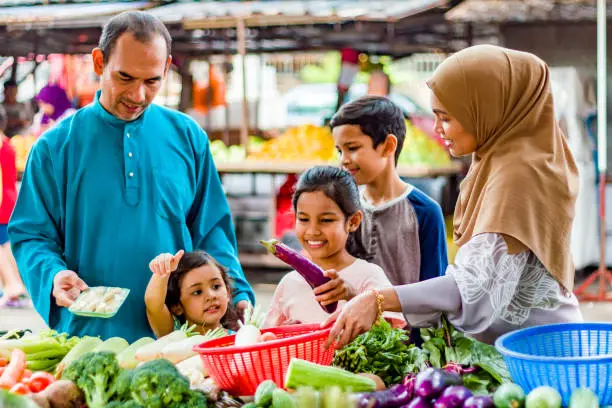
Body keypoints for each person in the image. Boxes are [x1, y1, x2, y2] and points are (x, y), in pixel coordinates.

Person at [8, 11, 254, 342]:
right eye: (125, 78)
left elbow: (211, 231)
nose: (138, 95)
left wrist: (235, 293)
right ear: (99, 62)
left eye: (152, 81)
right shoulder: (55, 147)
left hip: (177, 339)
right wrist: (53, 276)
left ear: (166, 68)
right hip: (87, 337)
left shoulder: (188, 137)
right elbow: (31, 234)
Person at [324, 44, 583, 349]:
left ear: (485, 108)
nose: (437, 129)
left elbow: (468, 289)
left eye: (446, 117)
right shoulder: (497, 161)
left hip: (541, 355)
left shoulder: (519, 174)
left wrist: (378, 299)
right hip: (518, 348)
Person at [264, 166, 404, 328]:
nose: (313, 231)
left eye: (326, 220)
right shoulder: (288, 284)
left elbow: (392, 338)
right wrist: (284, 334)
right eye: (303, 219)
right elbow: (266, 341)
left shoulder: (369, 276)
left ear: (353, 221)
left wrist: (353, 298)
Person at [330, 96, 448, 287]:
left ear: (388, 146)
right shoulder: (345, 208)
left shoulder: (425, 211)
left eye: (352, 148)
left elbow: (436, 290)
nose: (343, 159)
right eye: (339, 151)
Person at [145, 250, 239, 338]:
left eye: (216, 286)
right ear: (177, 306)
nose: (211, 295)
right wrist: (162, 272)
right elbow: (154, 304)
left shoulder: (240, 340)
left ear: (228, 292)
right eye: (197, 292)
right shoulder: (173, 335)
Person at [0, 105, 27, 308]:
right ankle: (16, 284)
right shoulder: (7, 144)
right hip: (9, 198)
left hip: (1, 200)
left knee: (3, 246)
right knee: (7, 245)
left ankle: (12, 286)